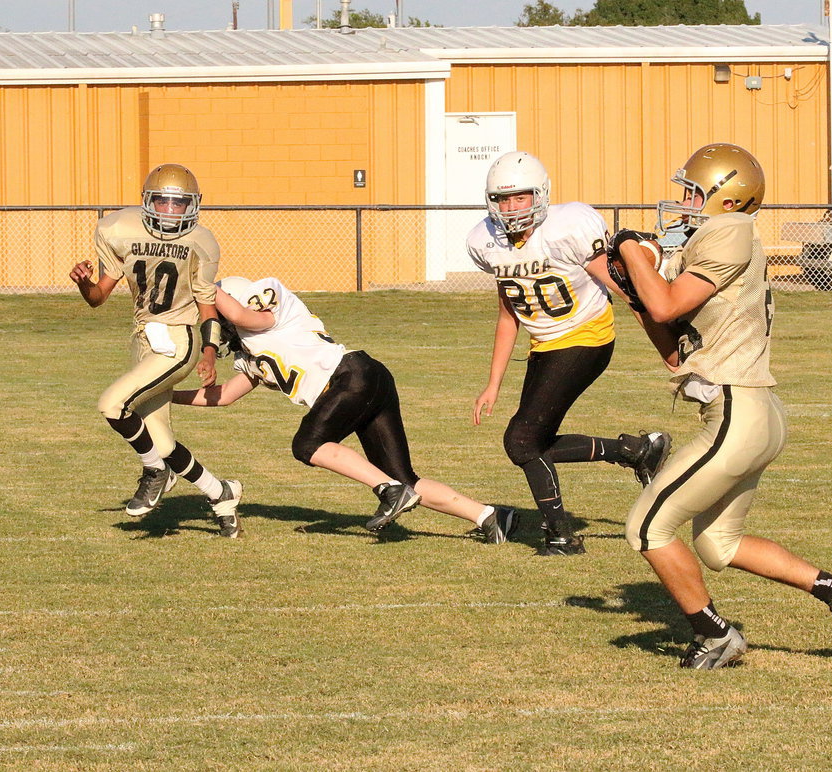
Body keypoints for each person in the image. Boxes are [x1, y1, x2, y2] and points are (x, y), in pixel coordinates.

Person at [609, 143, 832, 669]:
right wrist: (630, 284)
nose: (683, 202)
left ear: (727, 199)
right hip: (752, 409)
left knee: (647, 527)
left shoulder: (729, 231)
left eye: (693, 192)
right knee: (718, 546)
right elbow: (670, 344)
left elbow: (664, 301)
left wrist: (636, 256)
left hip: (737, 410)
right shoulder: (719, 239)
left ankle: (717, 636)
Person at [173, 275, 518, 542]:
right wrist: (167, 394)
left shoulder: (263, 304)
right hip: (364, 380)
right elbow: (224, 396)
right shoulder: (249, 352)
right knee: (404, 478)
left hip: (350, 377)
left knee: (307, 445)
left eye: (215, 318)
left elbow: (240, 314)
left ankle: (389, 492)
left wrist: (199, 279)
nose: (216, 327)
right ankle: (490, 516)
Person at [467, 150, 672, 556]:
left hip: (587, 338)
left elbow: (623, 287)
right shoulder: (484, 240)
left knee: (521, 441)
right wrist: (492, 384)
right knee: (531, 442)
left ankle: (560, 532)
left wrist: (666, 343)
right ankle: (636, 450)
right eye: (503, 199)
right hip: (544, 346)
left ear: (540, 195)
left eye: (520, 198)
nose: (511, 208)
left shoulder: (568, 226)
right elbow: (509, 313)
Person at [69, 163, 242, 537]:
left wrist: (210, 352)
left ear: (192, 206)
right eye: (162, 202)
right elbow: (98, 297)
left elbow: (207, 304)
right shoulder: (119, 230)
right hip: (145, 339)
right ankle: (221, 493)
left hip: (180, 340)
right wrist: (84, 284)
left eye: (179, 204)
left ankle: (154, 472)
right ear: (148, 202)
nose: (169, 211)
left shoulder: (201, 241)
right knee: (160, 440)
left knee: (112, 404)